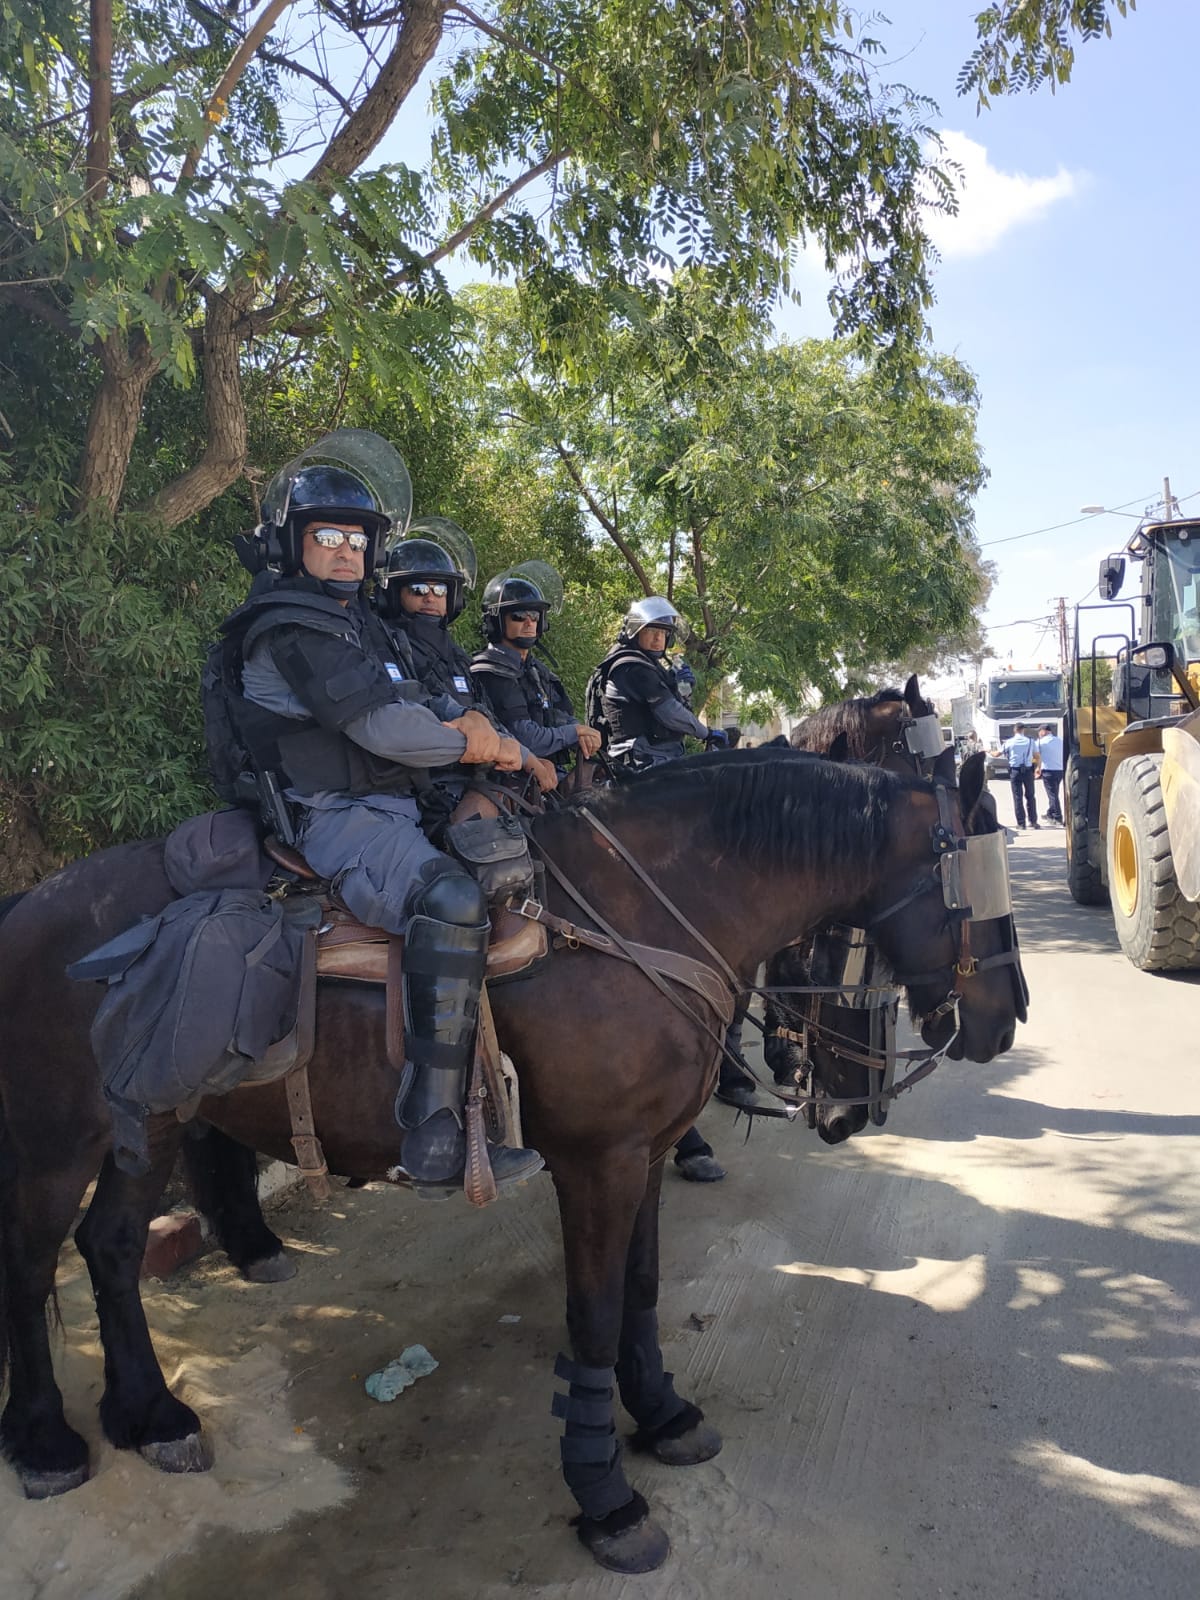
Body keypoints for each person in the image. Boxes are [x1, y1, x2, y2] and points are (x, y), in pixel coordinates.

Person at [214, 433, 542, 1192]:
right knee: (453, 899)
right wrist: (474, 744)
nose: (346, 551)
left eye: (357, 539)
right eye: (327, 536)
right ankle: (430, 1130)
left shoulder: (354, 621)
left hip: (388, 801)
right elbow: (382, 728)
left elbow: (415, 698)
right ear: (294, 544)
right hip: (331, 813)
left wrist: (470, 729)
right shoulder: (292, 624)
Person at [374, 527, 558, 796]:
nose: (430, 597)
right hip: (415, 784)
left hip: (474, 777)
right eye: (418, 588)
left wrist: (526, 756)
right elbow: (411, 706)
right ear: (393, 594)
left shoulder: (456, 656)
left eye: (439, 589)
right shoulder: (383, 643)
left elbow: (486, 715)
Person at [469, 563, 602, 778]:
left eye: (535, 615)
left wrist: (581, 732)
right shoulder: (490, 671)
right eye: (519, 616)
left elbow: (560, 716)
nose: (529, 623)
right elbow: (527, 738)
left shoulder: (537, 670)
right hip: (509, 777)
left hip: (549, 773)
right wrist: (575, 732)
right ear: (497, 621)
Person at [590, 596, 728, 772]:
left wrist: (680, 690)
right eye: (651, 631)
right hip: (640, 762)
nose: (657, 638)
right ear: (635, 632)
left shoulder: (648, 666)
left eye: (663, 633)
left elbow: (678, 710)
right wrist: (707, 733)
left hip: (653, 756)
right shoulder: (632, 667)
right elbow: (669, 712)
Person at [1001, 722, 1040, 830]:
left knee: (1017, 798)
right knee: (1030, 796)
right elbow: (1037, 756)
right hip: (1028, 771)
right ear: (1023, 730)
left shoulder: (1009, 742)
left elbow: (997, 754)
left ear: (1014, 730)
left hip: (1015, 771)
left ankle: (1021, 824)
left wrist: (987, 751)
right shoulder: (1031, 741)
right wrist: (1038, 767)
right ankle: (1033, 821)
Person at [1036, 724, 1064, 824]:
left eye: (1039, 732)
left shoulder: (1040, 742)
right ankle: (1050, 813)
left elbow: (1036, 756)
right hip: (1060, 770)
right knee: (1054, 793)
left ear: (1044, 731)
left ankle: (1057, 817)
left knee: (1052, 795)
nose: (1038, 734)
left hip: (1048, 771)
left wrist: (1036, 768)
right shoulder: (1060, 741)